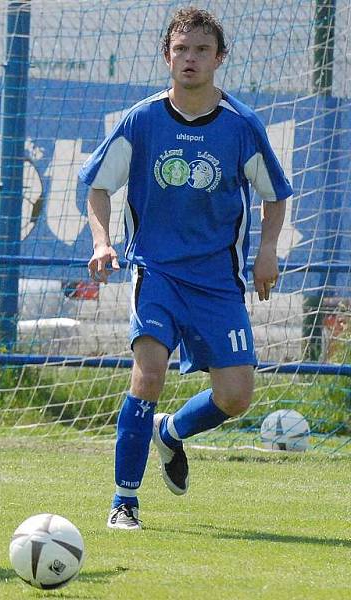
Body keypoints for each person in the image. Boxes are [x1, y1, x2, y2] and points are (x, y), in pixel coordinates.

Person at [79, 7, 291, 530]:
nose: (189, 58)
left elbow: (274, 196)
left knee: (236, 397)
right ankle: (124, 502)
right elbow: (99, 185)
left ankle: (169, 433)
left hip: (219, 283)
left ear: (219, 58)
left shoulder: (241, 126)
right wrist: (102, 241)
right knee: (147, 375)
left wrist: (267, 250)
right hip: (157, 274)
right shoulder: (142, 120)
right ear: (166, 56)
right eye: (180, 49)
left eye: (201, 49)